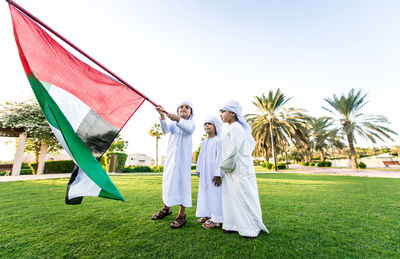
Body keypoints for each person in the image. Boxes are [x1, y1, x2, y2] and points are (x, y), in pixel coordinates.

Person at [219, 100, 269, 238]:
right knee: (230, 195)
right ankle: (231, 224)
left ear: (233, 113)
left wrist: (224, 166)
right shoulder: (228, 128)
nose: (221, 114)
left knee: (243, 196)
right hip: (230, 168)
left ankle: (250, 229)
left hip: (239, 168)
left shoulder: (236, 127)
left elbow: (234, 149)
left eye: (223, 111)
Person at [152, 101, 195, 228]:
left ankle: (182, 215)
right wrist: (162, 116)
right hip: (171, 160)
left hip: (183, 162)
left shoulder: (190, 123)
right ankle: (166, 208)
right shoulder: (173, 124)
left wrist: (177, 119)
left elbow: (188, 128)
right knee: (168, 182)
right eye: (181, 107)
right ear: (177, 111)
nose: (183, 108)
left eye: (187, 107)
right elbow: (165, 130)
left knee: (182, 185)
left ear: (191, 113)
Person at [195, 116, 223, 229]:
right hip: (205, 173)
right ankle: (206, 214)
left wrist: (218, 174)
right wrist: (199, 170)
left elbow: (220, 158)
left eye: (210, 123)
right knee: (205, 193)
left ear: (215, 126)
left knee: (215, 194)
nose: (207, 125)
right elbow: (200, 157)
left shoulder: (219, 141)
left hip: (214, 174)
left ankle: (217, 219)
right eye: (205, 123)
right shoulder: (204, 142)